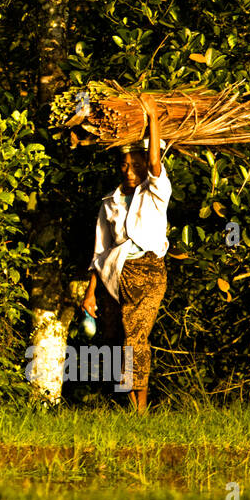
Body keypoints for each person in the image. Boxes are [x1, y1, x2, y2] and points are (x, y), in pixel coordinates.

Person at [80, 95, 171, 413]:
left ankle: (141, 408)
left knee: (136, 338)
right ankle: (133, 407)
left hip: (149, 272)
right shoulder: (110, 202)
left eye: (137, 166)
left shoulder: (157, 193)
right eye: (125, 165)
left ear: (146, 165)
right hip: (116, 275)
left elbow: (157, 164)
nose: (130, 171)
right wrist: (90, 292)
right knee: (118, 340)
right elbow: (100, 251)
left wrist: (154, 119)